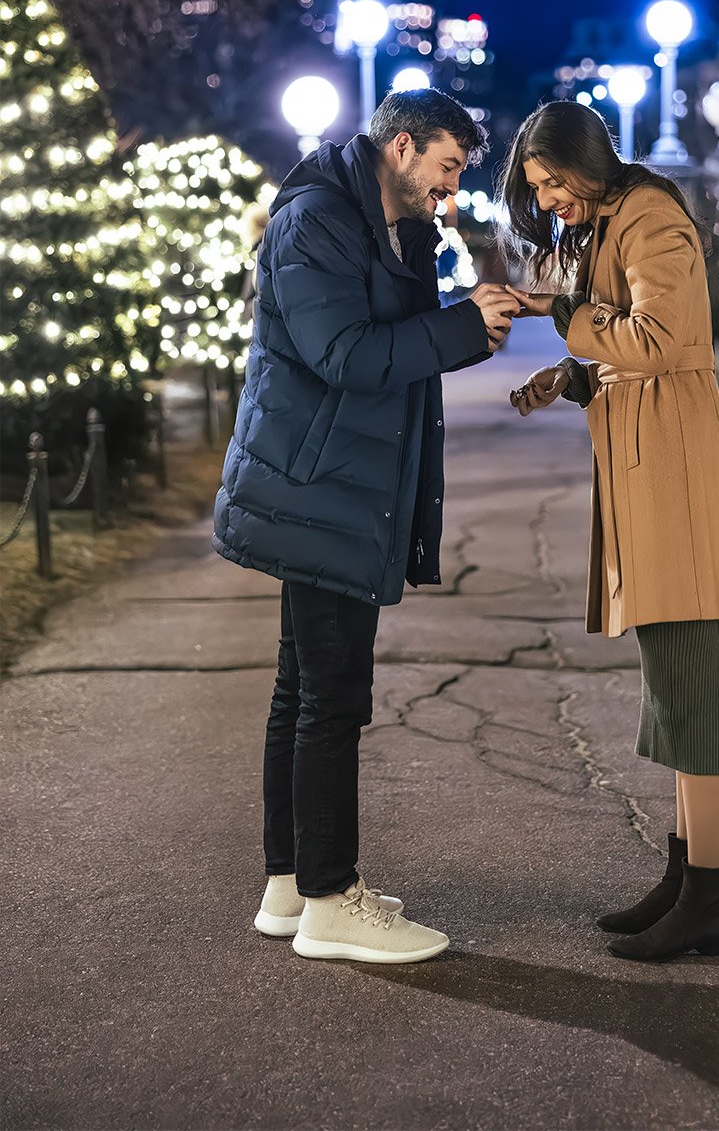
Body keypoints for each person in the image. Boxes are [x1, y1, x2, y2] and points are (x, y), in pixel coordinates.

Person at [214, 89, 521, 965]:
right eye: (446, 168)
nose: (451, 191)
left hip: (334, 481)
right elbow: (344, 355)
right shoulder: (317, 220)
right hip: (319, 483)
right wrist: (462, 327)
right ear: (400, 147)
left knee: (301, 688)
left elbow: (393, 333)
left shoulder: (388, 220)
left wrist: (463, 319)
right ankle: (330, 901)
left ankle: (291, 885)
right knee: (331, 697)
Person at [499, 99, 719, 963]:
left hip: (675, 476)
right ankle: (685, 876)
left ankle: (708, 898)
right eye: (538, 190)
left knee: (692, 691)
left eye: (557, 182)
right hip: (647, 469)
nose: (550, 202)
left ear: (592, 162)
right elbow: (630, 351)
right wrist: (574, 380)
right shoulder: (613, 220)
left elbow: (664, 337)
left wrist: (559, 316)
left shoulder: (652, 217)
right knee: (673, 685)